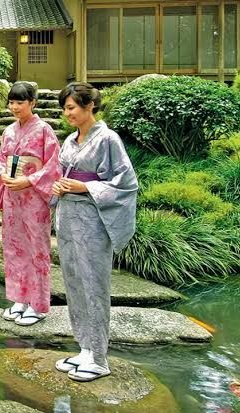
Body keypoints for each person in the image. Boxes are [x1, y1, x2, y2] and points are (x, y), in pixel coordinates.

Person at [51, 82, 138, 382]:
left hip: (93, 221)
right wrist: (59, 185)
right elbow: (62, 174)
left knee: (94, 286)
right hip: (68, 218)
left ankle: (99, 358)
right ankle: (85, 349)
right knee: (74, 284)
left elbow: (126, 183)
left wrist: (85, 186)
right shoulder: (70, 141)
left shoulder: (108, 139)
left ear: (90, 106)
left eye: (72, 107)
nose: (67, 113)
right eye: (64, 108)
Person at [0, 81, 61, 326]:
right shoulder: (8, 131)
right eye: (11, 102)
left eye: (20, 102)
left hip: (33, 197)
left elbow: (54, 165)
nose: (14, 107)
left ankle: (38, 304)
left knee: (36, 248)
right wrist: (3, 176)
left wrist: (29, 180)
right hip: (13, 196)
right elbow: (1, 159)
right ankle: (19, 299)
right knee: (14, 246)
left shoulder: (44, 130)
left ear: (33, 103)